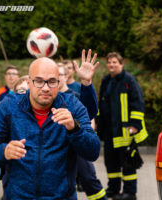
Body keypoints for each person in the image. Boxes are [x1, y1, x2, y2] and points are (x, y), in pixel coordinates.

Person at [0, 47, 101, 199]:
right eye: (39, 81)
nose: (45, 88)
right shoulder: (9, 106)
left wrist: (74, 128)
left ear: (59, 83)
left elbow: (93, 151)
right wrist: (3, 151)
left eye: (51, 82)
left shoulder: (72, 106)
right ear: (28, 82)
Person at [97, 52, 148, 200]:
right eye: (109, 62)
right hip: (109, 131)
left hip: (125, 130)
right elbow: (102, 105)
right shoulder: (106, 80)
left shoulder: (129, 80)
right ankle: (113, 189)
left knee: (127, 163)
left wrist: (134, 125)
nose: (111, 65)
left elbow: (137, 103)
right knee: (110, 163)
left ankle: (130, 193)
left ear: (121, 64)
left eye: (114, 62)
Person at [58, 62, 108, 200]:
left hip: (77, 146)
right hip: (59, 152)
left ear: (66, 76)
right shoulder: (45, 99)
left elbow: (90, 112)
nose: (57, 78)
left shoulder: (74, 96)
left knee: (88, 179)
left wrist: (86, 83)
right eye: (53, 76)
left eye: (60, 75)